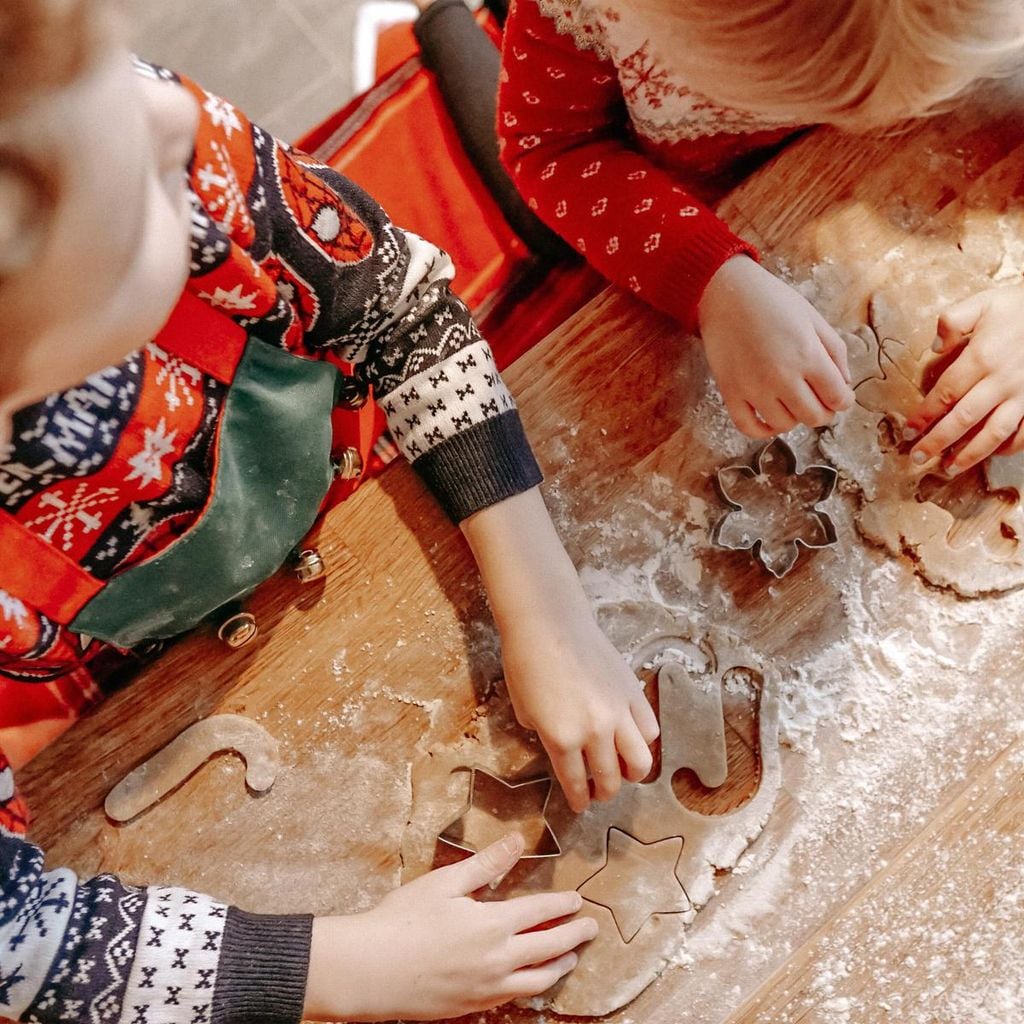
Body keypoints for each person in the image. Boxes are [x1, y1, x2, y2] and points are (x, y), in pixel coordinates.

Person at [0, 1, 661, 1020]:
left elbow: (399, 310)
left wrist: (548, 616)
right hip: (148, 662)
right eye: (131, 192)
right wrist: (348, 970)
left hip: (359, 480)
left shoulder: (129, 120)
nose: (179, 121)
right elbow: (17, 938)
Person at [497, 0, 1024, 472]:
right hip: (672, 198)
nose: (859, 126)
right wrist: (708, 279)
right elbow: (547, 147)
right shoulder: (581, 11)